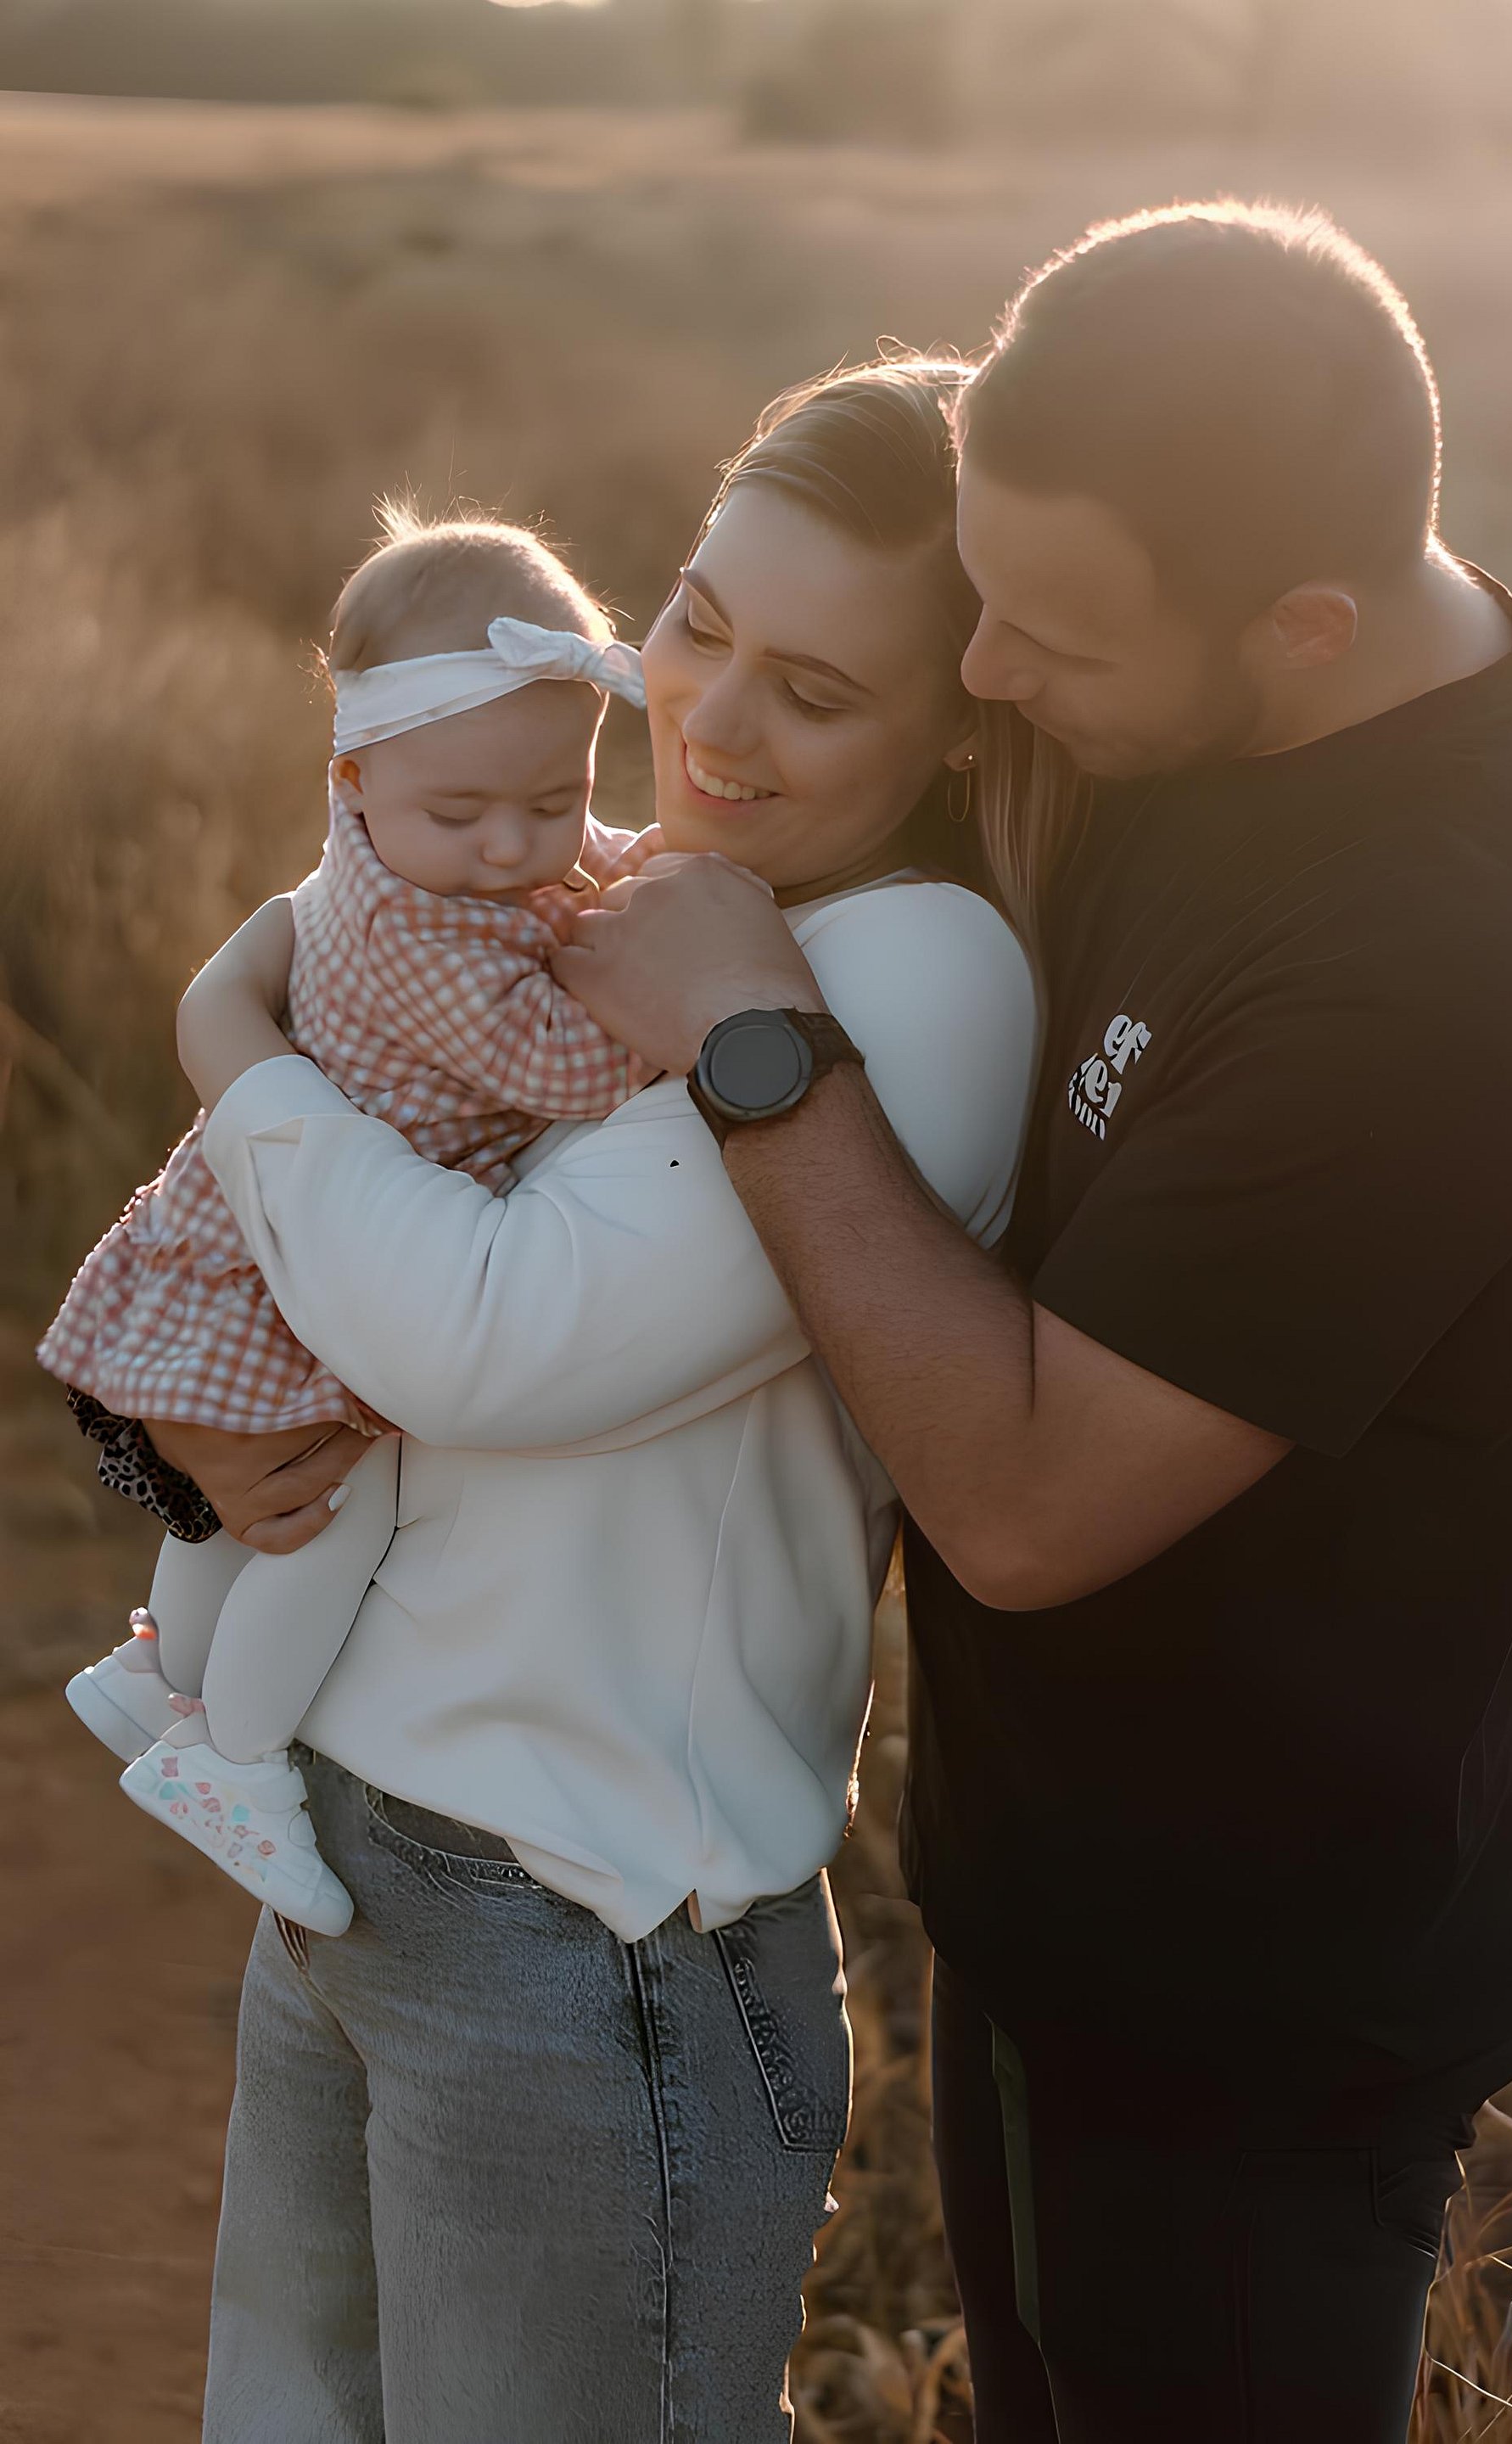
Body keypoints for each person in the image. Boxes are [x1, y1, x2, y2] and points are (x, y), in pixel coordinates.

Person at [546, 204, 1512, 2441]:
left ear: (1303, 627)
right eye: (983, 598)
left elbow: (1031, 1506)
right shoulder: (1181, 638)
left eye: (1048, 640)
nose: (998, 679)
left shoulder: (1456, 969)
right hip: (1056, 1899)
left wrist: (757, 1042)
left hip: (1264, 1998)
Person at [131, 360, 1043, 2441]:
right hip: (357, 1851)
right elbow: (358, 1112)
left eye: (818, 692)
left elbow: (475, 1337)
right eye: (701, 620)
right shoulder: (618, 881)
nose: (712, 718)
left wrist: (227, 1042)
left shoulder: (910, 975)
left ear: (957, 724)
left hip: (588, 1931)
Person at [39, 509, 655, 1935]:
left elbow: (537, 822)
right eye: (466, 816)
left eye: (556, 800)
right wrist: (686, 1005)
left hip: (269, 1237)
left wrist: (622, 854)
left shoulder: (390, 838)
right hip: (303, 1263)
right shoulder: (417, 937)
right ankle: (236, 1761)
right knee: (328, 1504)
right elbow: (569, 1067)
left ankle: (158, 1675)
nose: (517, 849)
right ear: (357, 779)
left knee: (249, 1495)